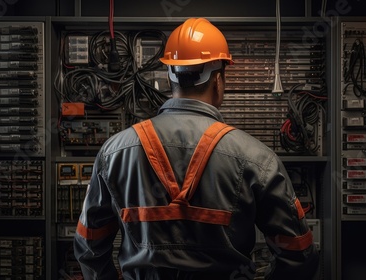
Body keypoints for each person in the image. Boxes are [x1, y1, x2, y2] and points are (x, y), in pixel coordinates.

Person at [74, 17, 319, 280]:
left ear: (170, 76)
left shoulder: (115, 152)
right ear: (218, 79)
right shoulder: (257, 159)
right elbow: (298, 254)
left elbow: (90, 246)